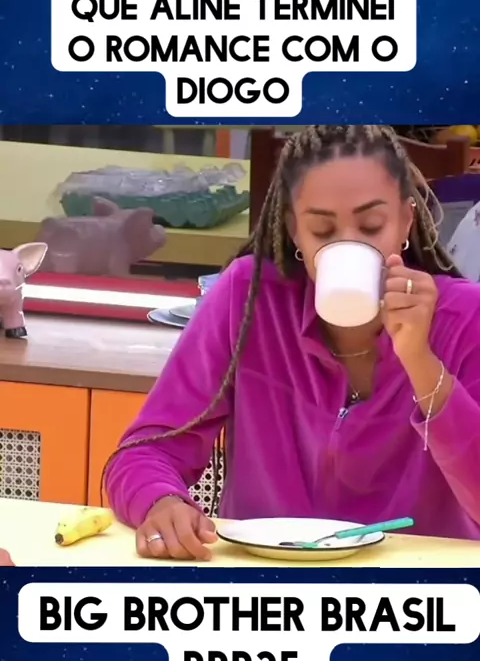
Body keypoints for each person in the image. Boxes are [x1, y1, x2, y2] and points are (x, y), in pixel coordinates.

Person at [105, 125, 480, 560]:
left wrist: (420, 360)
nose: (348, 244)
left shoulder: (464, 316)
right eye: (322, 229)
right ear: (294, 230)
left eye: (371, 225)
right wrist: (161, 501)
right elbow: (144, 454)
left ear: (406, 221)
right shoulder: (248, 298)